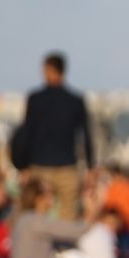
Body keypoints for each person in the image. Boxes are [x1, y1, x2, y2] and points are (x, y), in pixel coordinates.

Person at [21, 52, 93, 221]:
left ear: (48, 69)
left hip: (40, 166)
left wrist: (23, 165)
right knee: (68, 218)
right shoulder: (75, 100)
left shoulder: (35, 99)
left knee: (36, 214)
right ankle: (65, 247)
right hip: (68, 167)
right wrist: (90, 165)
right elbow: (86, 135)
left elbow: (26, 133)